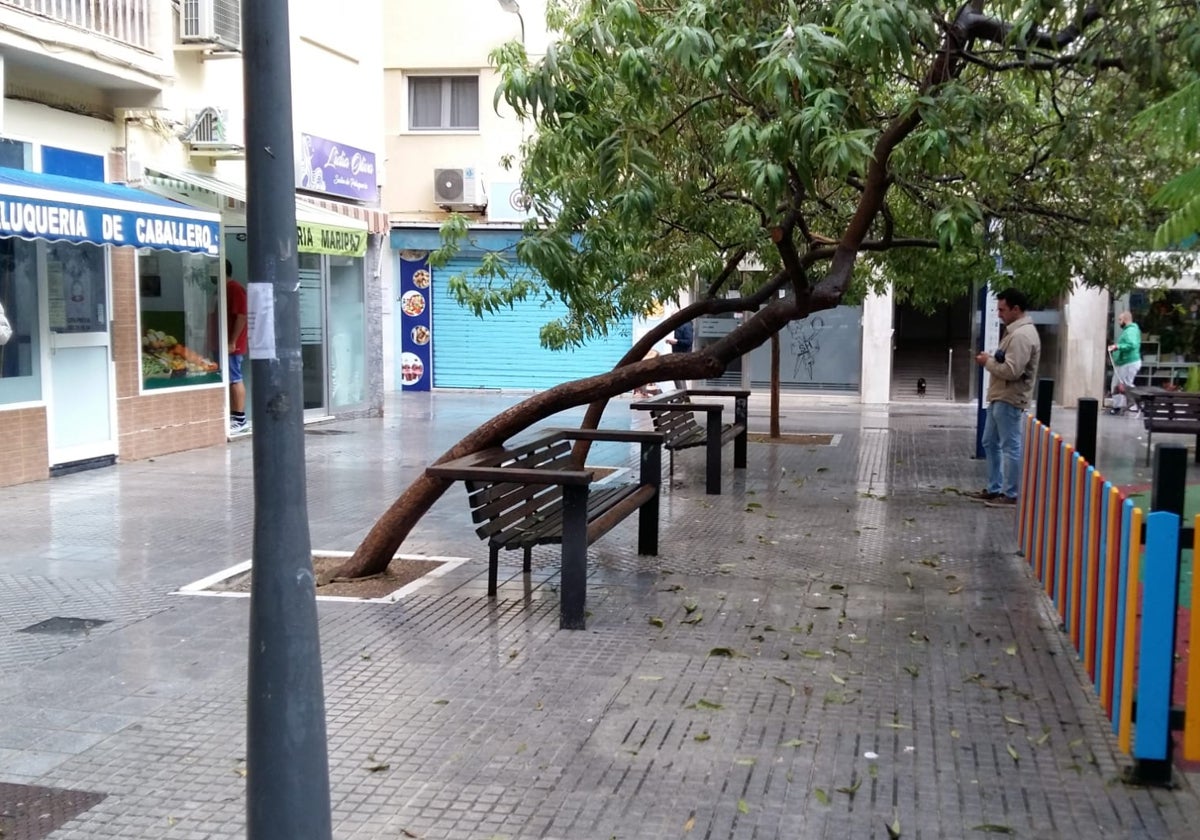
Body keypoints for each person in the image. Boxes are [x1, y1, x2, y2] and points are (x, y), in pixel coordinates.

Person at [968, 288, 1042, 508]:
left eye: (1002, 309)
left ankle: (1011, 493)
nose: (999, 313)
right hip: (1000, 396)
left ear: (1015, 309)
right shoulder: (1014, 332)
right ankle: (994, 487)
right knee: (989, 441)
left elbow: (1012, 371)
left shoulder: (1021, 335)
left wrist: (987, 363)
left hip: (1010, 398)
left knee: (1011, 446)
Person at [226, 260, 250, 435]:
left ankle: (240, 418)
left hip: (231, 345)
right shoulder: (222, 288)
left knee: (235, 378)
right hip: (223, 343)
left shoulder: (234, 288)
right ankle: (233, 416)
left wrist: (232, 341)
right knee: (229, 378)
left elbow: (241, 316)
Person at [1107, 311, 1142, 415]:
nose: (1119, 322)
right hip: (1125, 362)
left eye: (1120, 319)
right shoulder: (1130, 330)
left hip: (1128, 362)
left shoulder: (1130, 331)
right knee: (1119, 384)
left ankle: (1133, 405)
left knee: (1125, 385)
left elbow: (1131, 344)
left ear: (1125, 320)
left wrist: (1118, 346)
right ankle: (1120, 406)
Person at [665, 318, 693, 391]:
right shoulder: (678, 326)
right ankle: (683, 396)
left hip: (683, 356)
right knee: (678, 376)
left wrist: (677, 342)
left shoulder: (686, 325)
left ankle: (683, 395)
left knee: (678, 376)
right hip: (677, 355)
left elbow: (689, 341)